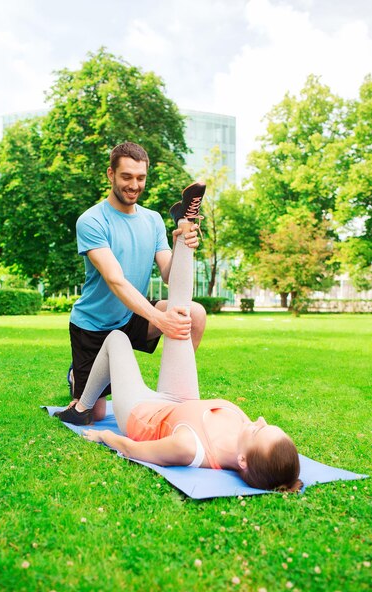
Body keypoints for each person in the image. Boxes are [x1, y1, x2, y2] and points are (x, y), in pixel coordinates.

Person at [56, 204, 302, 492]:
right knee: (184, 312)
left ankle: (81, 406)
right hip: (178, 400)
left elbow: (134, 450)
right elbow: (122, 279)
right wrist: (183, 239)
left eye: (261, 429)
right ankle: (187, 221)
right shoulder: (247, 436)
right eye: (267, 424)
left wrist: (104, 438)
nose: (260, 419)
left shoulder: (189, 447)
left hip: (142, 412)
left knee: (116, 339)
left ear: (243, 460)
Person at [68, 142, 207, 421]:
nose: (134, 185)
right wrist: (160, 317)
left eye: (140, 177)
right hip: (93, 327)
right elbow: (115, 280)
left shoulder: (153, 220)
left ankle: (170, 391)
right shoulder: (92, 221)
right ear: (111, 174)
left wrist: (184, 244)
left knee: (195, 313)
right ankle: (75, 375)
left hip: (133, 316)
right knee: (94, 413)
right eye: (126, 177)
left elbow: (169, 275)